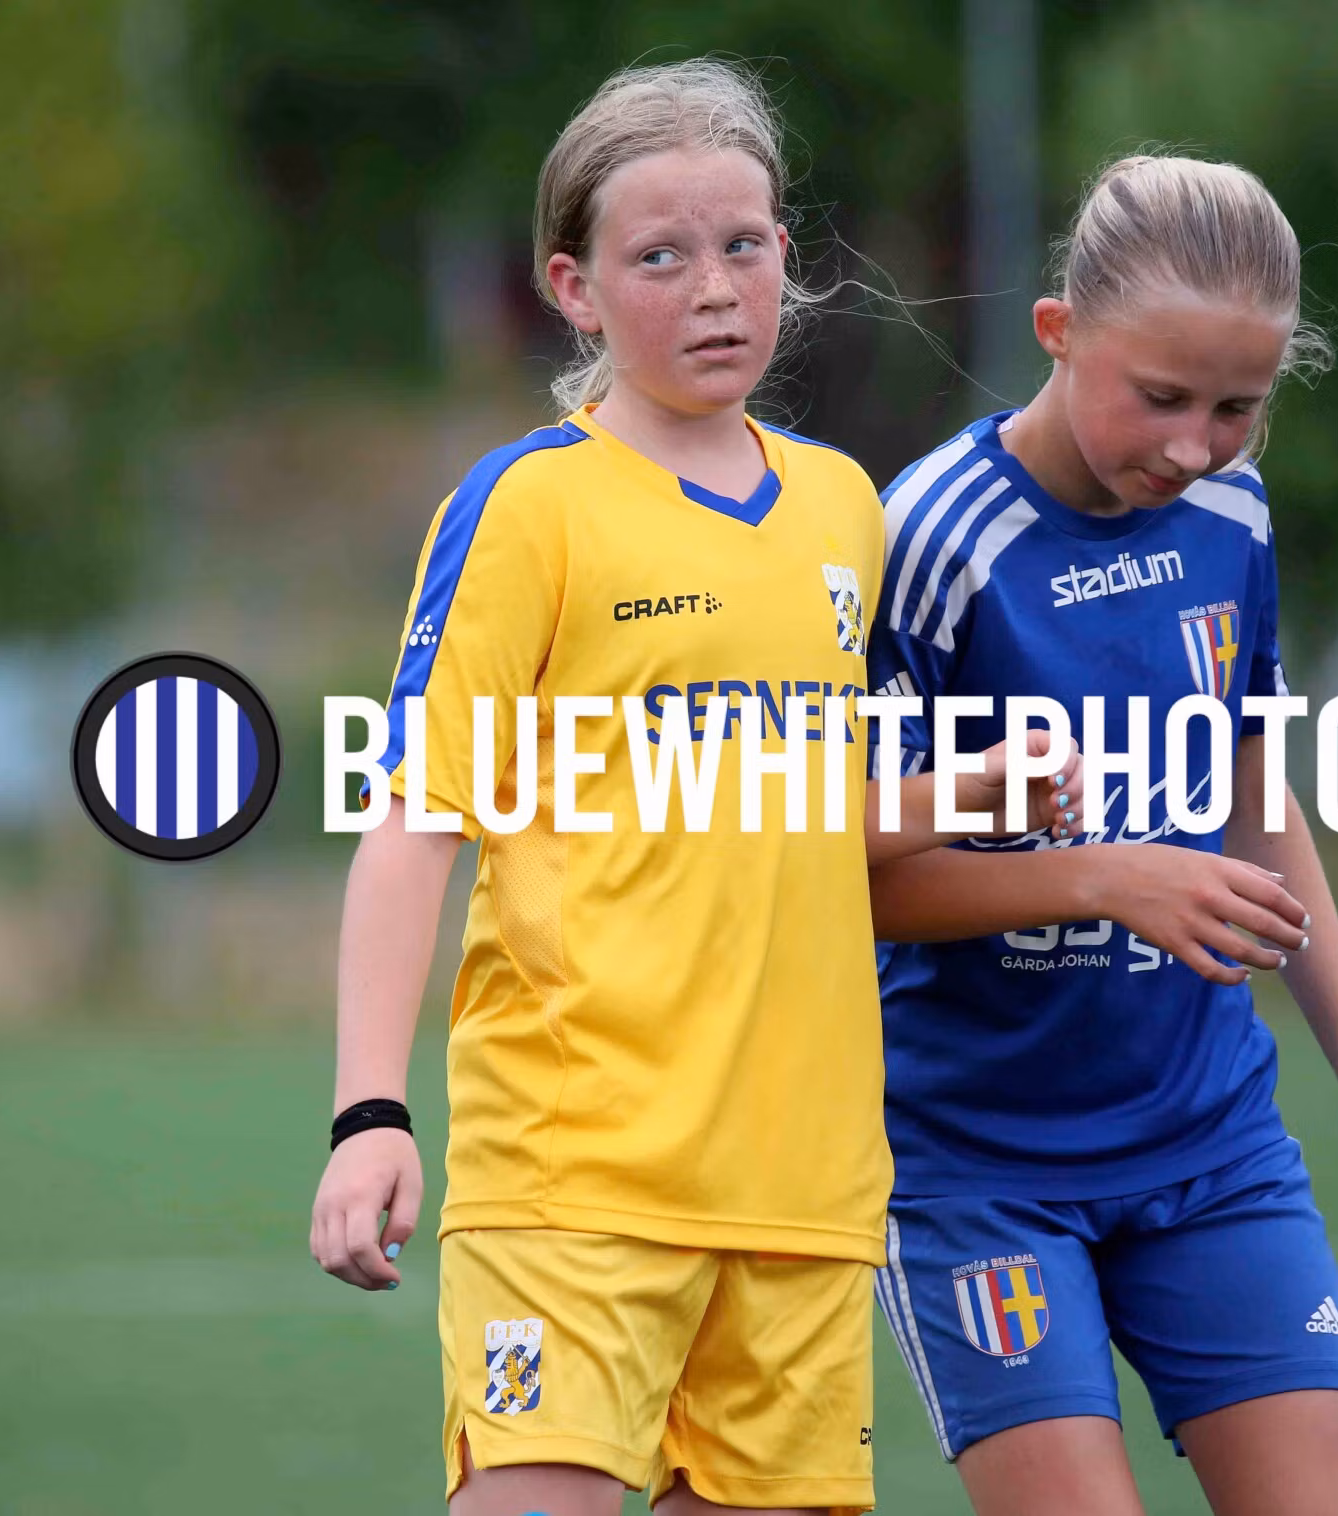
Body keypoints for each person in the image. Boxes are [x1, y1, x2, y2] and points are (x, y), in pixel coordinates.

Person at [307, 58, 1075, 1516]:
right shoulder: (529, 506)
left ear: (788, 255)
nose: (715, 288)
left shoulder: (843, 507)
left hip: (804, 1196)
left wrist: (970, 795)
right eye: (659, 257)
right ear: (575, 289)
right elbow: (415, 824)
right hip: (578, 1180)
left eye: (744, 245)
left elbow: (791, 815)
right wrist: (368, 1116)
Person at [865, 153, 1338, 1516]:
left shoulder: (1234, 514)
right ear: (1059, 331)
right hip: (977, 1169)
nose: (1197, 446)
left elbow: (1256, 804)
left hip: (1212, 1146)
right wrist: (1101, 879)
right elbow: (850, 878)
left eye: (1237, 407)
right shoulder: (928, 540)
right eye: (1161, 397)